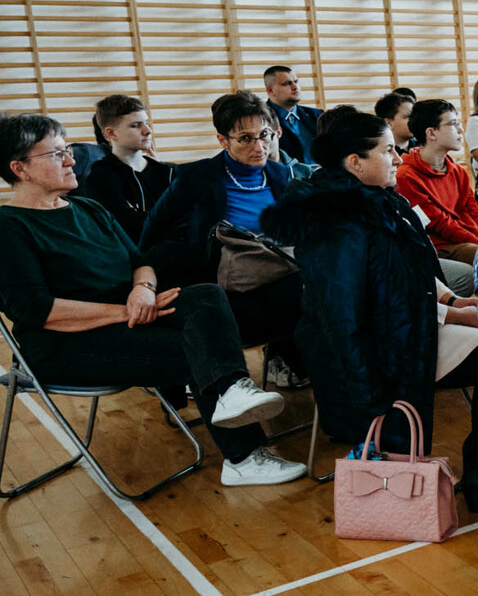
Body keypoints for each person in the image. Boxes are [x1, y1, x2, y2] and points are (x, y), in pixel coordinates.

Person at [0, 113, 304, 486]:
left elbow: (141, 261)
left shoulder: (89, 209)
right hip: (63, 345)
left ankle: (231, 391)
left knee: (205, 294)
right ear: (20, 169)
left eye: (67, 151)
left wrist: (142, 289)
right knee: (198, 348)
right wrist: (127, 309)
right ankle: (243, 458)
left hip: (128, 317)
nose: (70, 160)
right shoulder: (9, 227)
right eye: (56, 154)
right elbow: (36, 310)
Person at [260, 107, 478, 508]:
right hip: (380, 351)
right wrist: (367, 395)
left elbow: (408, 271)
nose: (398, 158)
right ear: (355, 162)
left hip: (407, 327)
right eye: (388, 150)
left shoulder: (378, 200)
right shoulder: (338, 221)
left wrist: (451, 301)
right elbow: (341, 315)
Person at [139, 90, 307, 386]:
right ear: (222, 140)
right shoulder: (197, 177)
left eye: (264, 135)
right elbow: (155, 227)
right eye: (245, 139)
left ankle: (314, 372)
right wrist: (143, 278)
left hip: (277, 271)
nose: (259, 147)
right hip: (225, 282)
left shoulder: (280, 174)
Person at [394, 98, 478, 266]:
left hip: (470, 240)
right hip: (439, 248)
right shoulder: (405, 176)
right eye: (453, 124)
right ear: (431, 133)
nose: (461, 130)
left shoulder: (458, 171)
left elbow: (475, 213)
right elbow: (441, 225)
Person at [79, 94, 175, 247]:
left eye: (147, 123)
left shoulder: (167, 172)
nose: (148, 131)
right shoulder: (101, 178)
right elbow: (130, 230)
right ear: (111, 133)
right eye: (135, 125)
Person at [263, 65, 322, 165]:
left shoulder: (317, 115)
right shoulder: (261, 120)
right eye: (287, 83)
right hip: (285, 173)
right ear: (270, 90)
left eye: (296, 82)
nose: (295, 87)